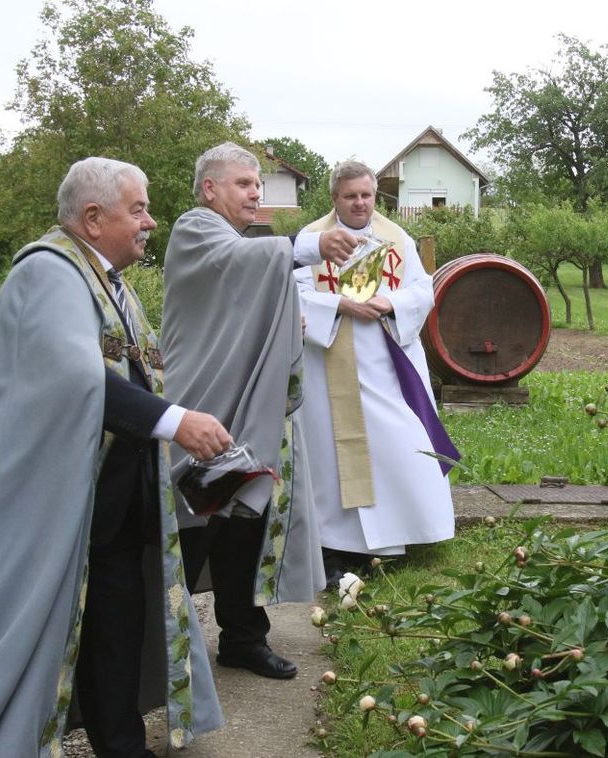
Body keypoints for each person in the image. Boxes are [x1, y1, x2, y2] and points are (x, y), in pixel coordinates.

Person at [0, 157, 227, 758]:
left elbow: (133, 372)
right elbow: (76, 377)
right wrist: (176, 422)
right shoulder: (48, 272)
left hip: (110, 501)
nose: (151, 222)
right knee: (43, 634)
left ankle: (122, 746)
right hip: (56, 505)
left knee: (116, 630)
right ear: (93, 218)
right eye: (138, 209)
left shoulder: (104, 278)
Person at [161, 142, 356, 680]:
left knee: (244, 521)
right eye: (244, 183)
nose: (255, 194)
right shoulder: (195, 229)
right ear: (209, 189)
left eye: (258, 185)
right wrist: (312, 243)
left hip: (242, 407)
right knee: (192, 522)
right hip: (199, 404)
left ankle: (243, 639)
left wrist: (286, 319)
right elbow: (239, 265)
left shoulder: (234, 239)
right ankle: (161, 644)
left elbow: (248, 303)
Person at [294, 161, 458, 586]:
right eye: (350, 196)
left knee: (398, 444)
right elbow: (295, 294)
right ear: (334, 198)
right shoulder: (312, 239)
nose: (360, 203)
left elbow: (422, 290)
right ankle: (337, 545)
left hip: (387, 361)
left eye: (366, 195)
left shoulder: (395, 237)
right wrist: (341, 305)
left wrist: (391, 303)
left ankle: (396, 536)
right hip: (329, 362)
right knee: (334, 456)